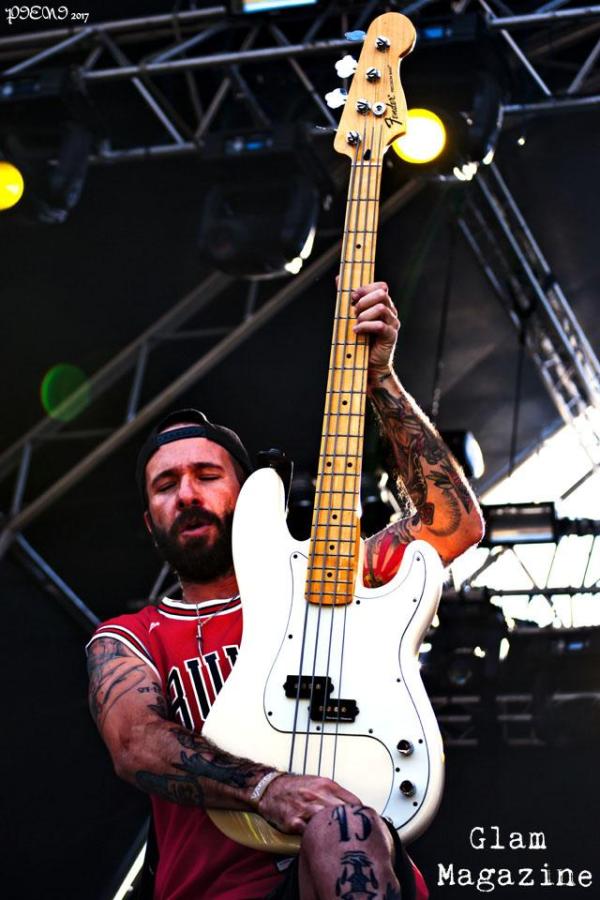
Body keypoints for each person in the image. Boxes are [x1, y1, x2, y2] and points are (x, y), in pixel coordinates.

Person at [87, 281, 484, 900]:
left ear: (249, 497)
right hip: (214, 892)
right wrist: (268, 787)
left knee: (343, 825)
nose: (186, 494)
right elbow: (136, 743)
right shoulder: (131, 638)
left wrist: (380, 380)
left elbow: (452, 525)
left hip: (352, 864)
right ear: (149, 520)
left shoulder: (328, 580)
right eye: (165, 485)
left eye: (206, 475)